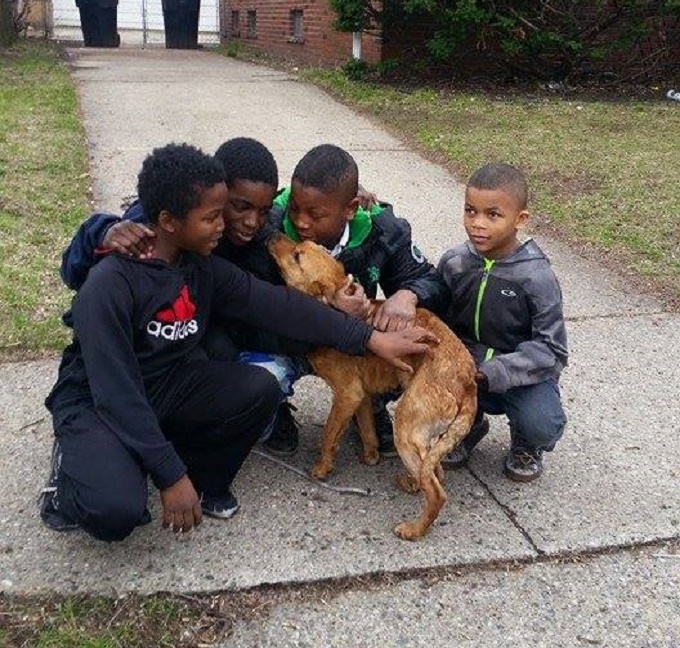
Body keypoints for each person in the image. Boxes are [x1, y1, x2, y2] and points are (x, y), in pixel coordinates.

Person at [40, 142, 438, 542]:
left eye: (226, 215)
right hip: (99, 399)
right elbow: (116, 391)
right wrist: (168, 472)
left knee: (258, 385)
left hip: (166, 384)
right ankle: (73, 468)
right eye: (214, 216)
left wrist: (370, 339)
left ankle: (202, 479)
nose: (226, 227)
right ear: (169, 221)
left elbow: (279, 306)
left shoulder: (204, 266)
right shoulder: (112, 279)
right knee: (117, 512)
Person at [261, 143, 451, 456]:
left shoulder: (383, 231)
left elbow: (434, 282)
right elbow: (252, 297)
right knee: (263, 377)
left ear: (350, 208)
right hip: (288, 338)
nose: (302, 222)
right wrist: (326, 307)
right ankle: (275, 405)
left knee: (422, 323)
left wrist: (407, 295)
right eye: (296, 208)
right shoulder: (272, 223)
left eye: (316, 214)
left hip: (355, 347)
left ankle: (373, 401)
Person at [437, 163, 568, 481]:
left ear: (520, 220)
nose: (477, 224)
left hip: (520, 376)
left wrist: (492, 370)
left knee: (542, 423)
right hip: (464, 368)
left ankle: (526, 442)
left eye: (492, 215)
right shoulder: (455, 263)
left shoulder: (536, 277)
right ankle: (469, 425)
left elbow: (553, 350)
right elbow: (438, 319)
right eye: (470, 211)